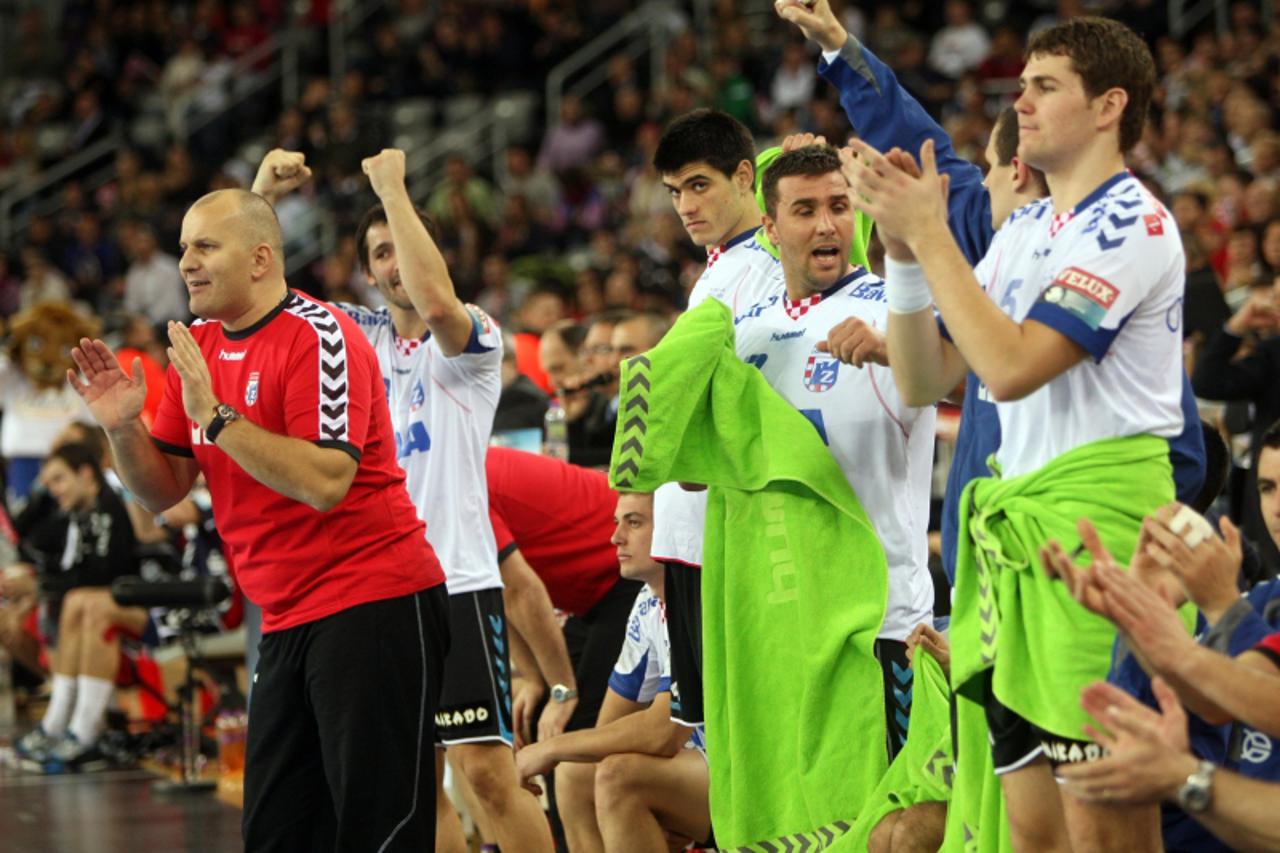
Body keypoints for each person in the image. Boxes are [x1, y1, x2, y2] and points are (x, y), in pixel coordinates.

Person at [847, 16, 1191, 851]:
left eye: (1045, 86)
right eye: (1022, 84)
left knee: (1104, 826)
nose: (1021, 102)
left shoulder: (1131, 225)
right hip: (1018, 547)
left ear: (1110, 105)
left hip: (1099, 537)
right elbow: (932, 378)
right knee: (1031, 831)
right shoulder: (1028, 229)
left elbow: (1011, 367)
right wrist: (900, 253)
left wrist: (932, 234)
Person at [68, 187, 449, 850]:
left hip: (374, 601)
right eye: (184, 246)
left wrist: (216, 415)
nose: (186, 260)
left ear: (259, 259)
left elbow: (326, 481)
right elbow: (162, 492)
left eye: (205, 246)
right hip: (285, 615)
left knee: (378, 831)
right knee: (275, 833)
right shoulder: (201, 347)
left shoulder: (321, 335)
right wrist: (124, 429)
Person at [250, 148, 554, 853]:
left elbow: (439, 302)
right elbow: (263, 292)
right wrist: (260, 193)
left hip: (459, 579)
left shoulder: (473, 338)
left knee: (485, 774)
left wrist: (392, 188)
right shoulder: (352, 337)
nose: (393, 263)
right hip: (381, 589)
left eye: (402, 244)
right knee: (413, 784)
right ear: (365, 270)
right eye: (379, 252)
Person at [737, 144, 936, 756]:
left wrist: (892, 350)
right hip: (787, 623)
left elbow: (977, 378)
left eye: (838, 206)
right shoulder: (745, 334)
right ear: (770, 228)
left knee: (898, 823)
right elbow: (710, 478)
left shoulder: (893, 312)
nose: (826, 225)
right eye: (804, 210)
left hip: (886, 624)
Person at [515, 491, 711, 853]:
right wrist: (562, 753)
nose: (615, 536)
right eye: (616, 522)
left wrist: (551, 748)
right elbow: (610, 729)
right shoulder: (646, 602)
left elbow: (663, 731)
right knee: (576, 774)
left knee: (619, 778)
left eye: (634, 522)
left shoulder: (700, 594)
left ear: (672, 528)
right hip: (700, 765)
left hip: (749, 776)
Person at [485, 446, 642, 851]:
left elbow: (523, 590)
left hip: (627, 570)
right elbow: (499, 590)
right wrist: (536, 680)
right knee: (538, 719)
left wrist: (561, 688)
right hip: (593, 593)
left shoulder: (455, 479)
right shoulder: (445, 474)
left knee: (573, 736)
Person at [12, 443, 139, 771]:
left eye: (58, 480)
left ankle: (85, 733)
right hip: (108, 601)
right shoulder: (79, 511)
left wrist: (39, 586)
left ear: (85, 474)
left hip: (155, 603)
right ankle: (59, 724)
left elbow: (107, 572)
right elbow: (25, 536)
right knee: (77, 601)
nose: (52, 490)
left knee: (86, 602)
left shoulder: (112, 504)